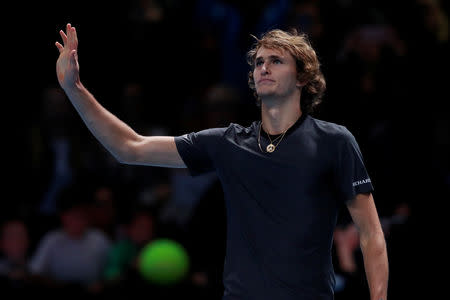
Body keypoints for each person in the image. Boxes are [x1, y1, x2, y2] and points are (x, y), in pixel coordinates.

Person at [55, 24, 388, 299]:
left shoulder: (335, 141)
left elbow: (371, 233)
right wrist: (75, 89)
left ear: (302, 78)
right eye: (258, 62)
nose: (263, 68)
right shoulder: (228, 142)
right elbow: (130, 147)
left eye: (276, 61)